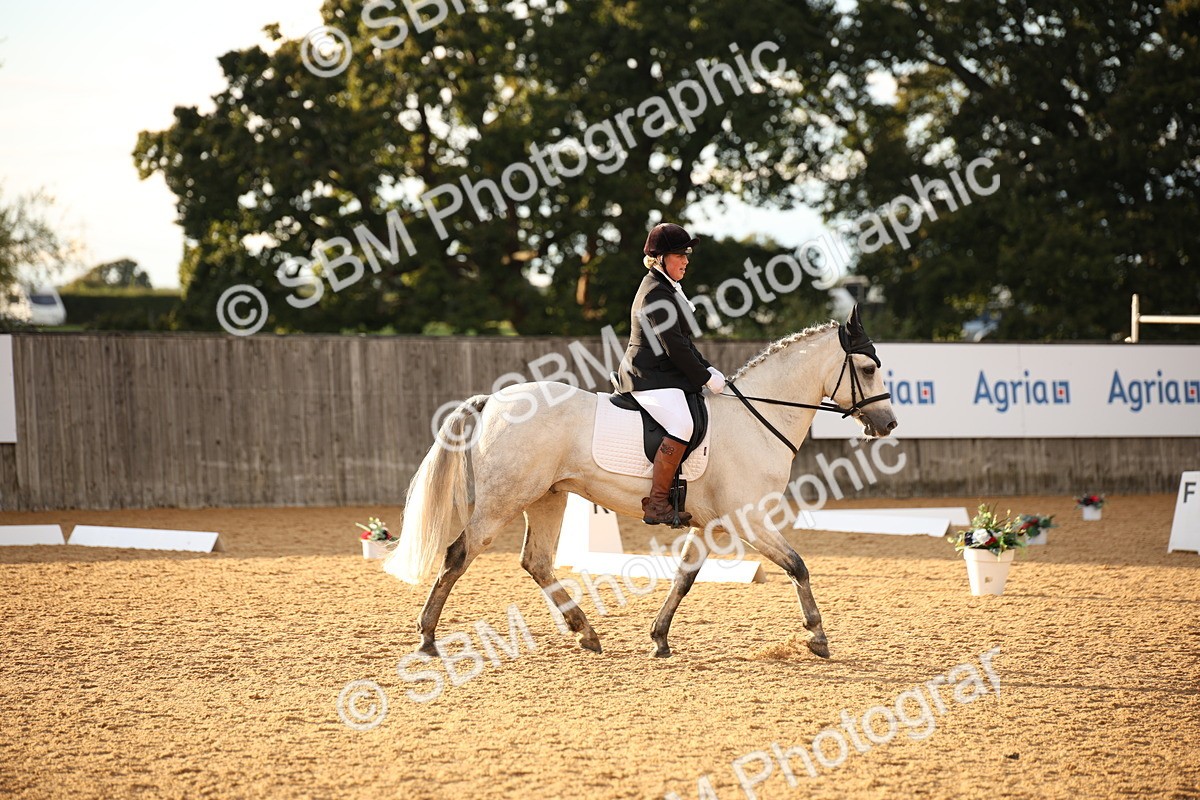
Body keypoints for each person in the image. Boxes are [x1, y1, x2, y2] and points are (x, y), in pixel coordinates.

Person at [615, 222, 726, 526]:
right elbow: (674, 347)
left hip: (663, 375)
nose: (686, 261)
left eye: (687, 254)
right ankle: (658, 502)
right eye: (680, 255)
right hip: (648, 377)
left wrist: (707, 368)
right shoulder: (656, 293)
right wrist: (704, 378)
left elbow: (684, 342)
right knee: (682, 424)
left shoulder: (667, 289)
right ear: (661, 258)